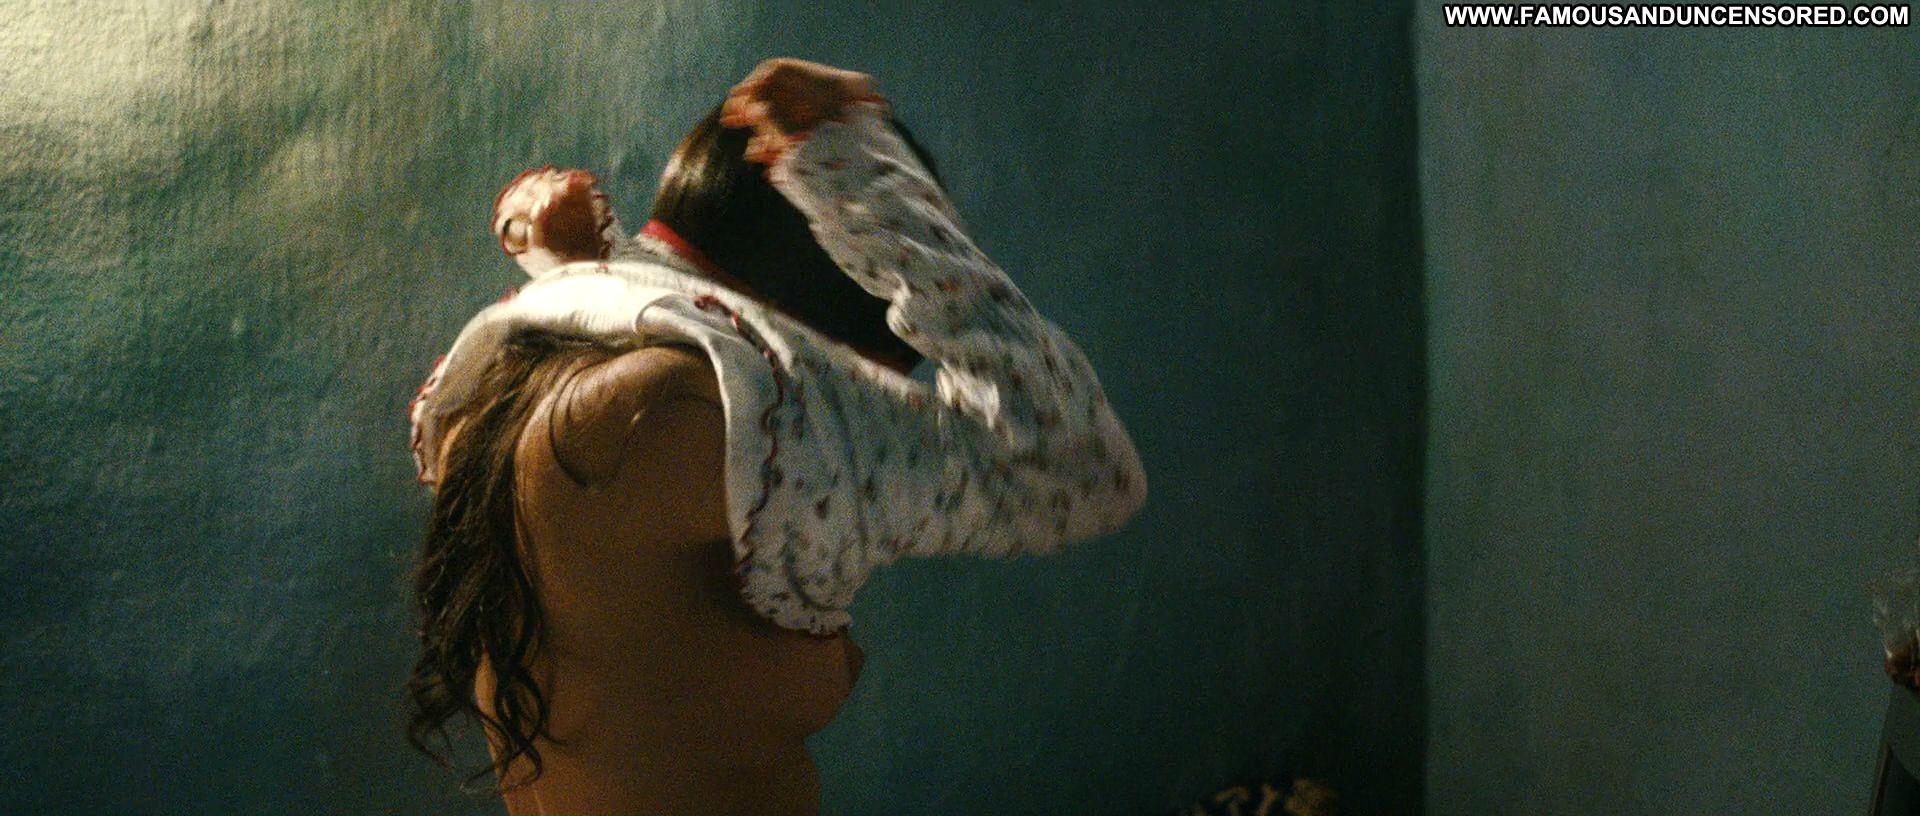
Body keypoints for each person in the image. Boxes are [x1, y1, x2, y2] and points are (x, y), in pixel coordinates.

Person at [404, 59, 1146, 815]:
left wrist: (597, 263)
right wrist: (853, 166)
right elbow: (1079, 467)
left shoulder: (515, 391)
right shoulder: (686, 414)